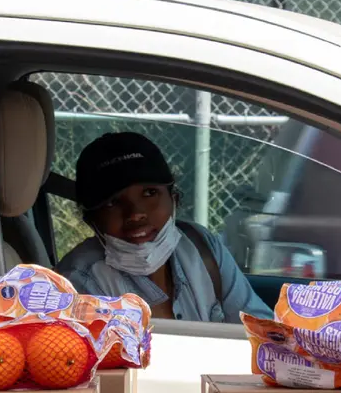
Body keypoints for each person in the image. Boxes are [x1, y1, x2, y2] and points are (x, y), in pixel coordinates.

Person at [57, 131, 273, 323]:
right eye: (113, 202)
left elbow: (261, 333)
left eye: (150, 193)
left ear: (174, 199)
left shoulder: (202, 247)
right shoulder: (79, 283)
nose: (135, 214)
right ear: (92, 221)